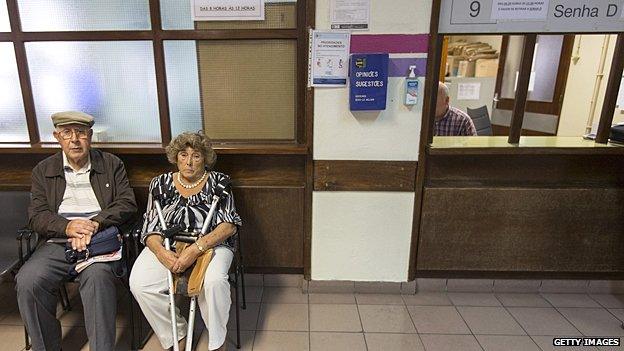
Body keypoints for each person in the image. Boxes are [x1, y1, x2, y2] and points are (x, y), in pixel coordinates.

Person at [16, 111, 137, 351]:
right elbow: (37, 216)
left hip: (99, 240)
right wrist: (68, 226)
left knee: (98, 279)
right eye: (67, 133)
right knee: (28, 280)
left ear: (90, 136)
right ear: (57, 137)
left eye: (81, 133)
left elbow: (127, 203)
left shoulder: (111, 164)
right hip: (59, 241)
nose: (74, 139)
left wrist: (96, 223)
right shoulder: (43, 169)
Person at [129, 132, 242, 351]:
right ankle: (176, 334)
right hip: (168, 243)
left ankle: (218, 342)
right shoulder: (159, 183)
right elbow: (150, 226)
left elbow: (229, 225)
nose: (189, 162)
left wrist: (195, 249)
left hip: (211, 243)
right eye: (183, 155)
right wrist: (162, 253)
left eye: (196, 156)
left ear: (205, 158)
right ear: (176, 157)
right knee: (140, 284)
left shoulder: (219, 182)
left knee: (214, 283)